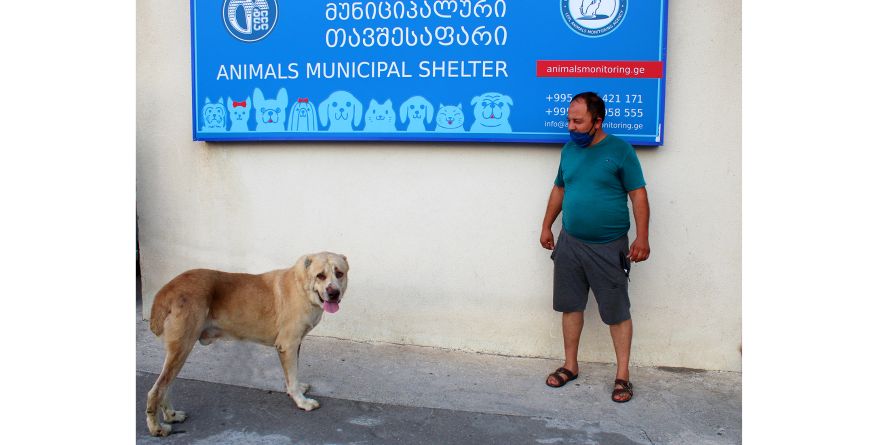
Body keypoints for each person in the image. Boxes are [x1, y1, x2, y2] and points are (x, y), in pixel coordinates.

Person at [540, 92, 650, 403]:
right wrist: (547, 225)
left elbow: (638, 196)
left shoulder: (620, 151)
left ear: (597, 121)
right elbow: (560, 188)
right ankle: (570, 365)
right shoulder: (568, 151)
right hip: (570, 242)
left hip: (608, 246)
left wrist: (642, 237)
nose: (571, 127)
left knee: (616, 312)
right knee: (570, 305)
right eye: (568, 121)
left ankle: (623, 376)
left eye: (578, 121)